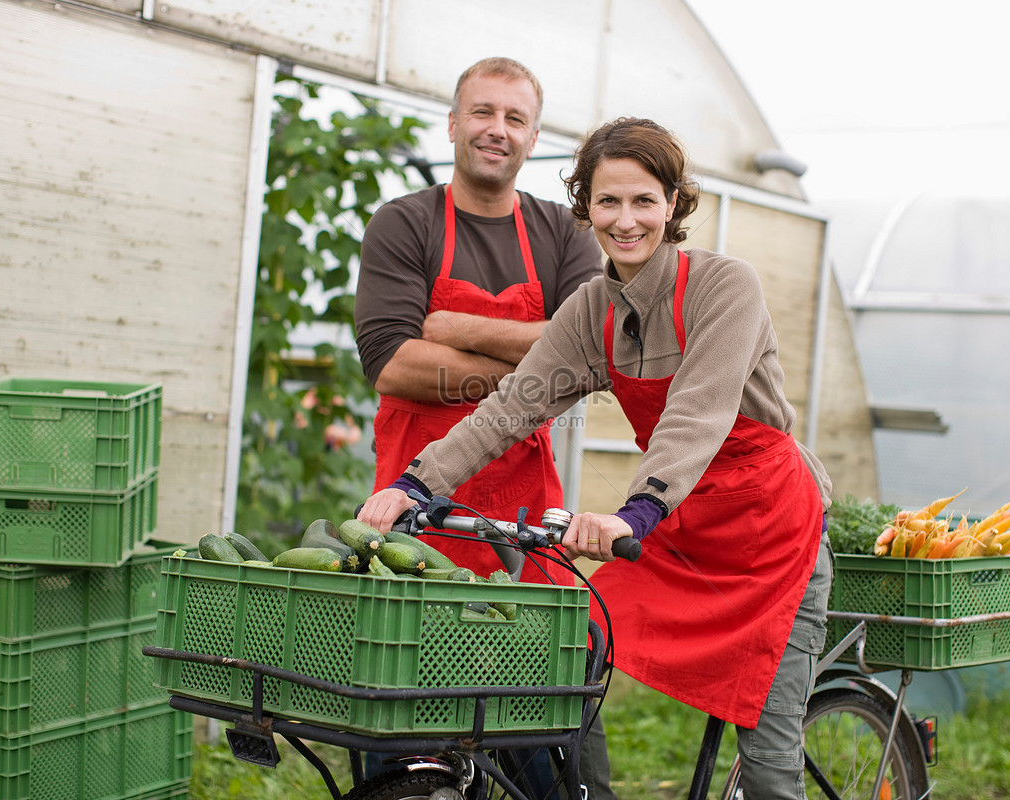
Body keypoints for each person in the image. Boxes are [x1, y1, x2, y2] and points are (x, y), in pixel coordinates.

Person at [359, 117, 835, 800]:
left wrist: (634, 513)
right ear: (586, 208)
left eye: (644, 200)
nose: (626, 219)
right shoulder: (590, 311)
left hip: (767, 531)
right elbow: (512, 407)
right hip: (677, 525)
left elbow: (696, 414)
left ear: (674, 204)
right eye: (608, 201)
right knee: (568, 647)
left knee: (765, 765)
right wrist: (415, 483)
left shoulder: (726, 286)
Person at [354, 56, 603, 584]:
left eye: (515, 118)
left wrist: (453, 327)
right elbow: (391, 365)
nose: (497, 129)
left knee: (529, 649)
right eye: (482, 112)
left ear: (532, 138)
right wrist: (538, 366)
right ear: (452, 124)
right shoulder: (404, 223)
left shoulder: (564, 232)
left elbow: (590, 356)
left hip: (524, 511)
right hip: (413, 505)